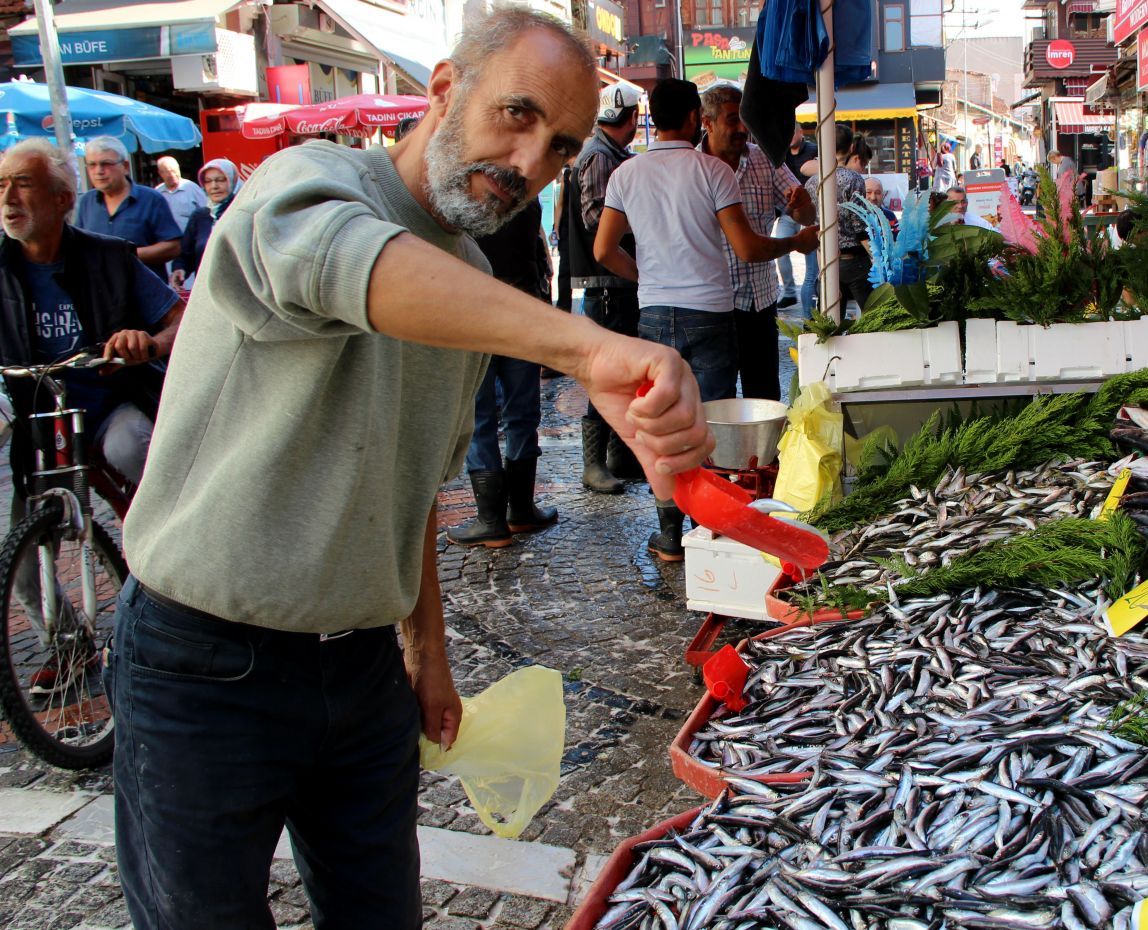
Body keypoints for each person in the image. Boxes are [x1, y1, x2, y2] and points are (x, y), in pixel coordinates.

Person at [110, 11, 713, 928]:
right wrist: (586, 349)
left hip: (360, 672)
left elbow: (413, 488)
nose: (529, 162)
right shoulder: (306, 181)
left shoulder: (467, 274)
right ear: (443, 89)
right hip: (203, 662)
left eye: (560, 147)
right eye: (516, 113)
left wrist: (427, 654)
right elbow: (343, 262)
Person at [594, 78, 815, 561]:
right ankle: (707, 530)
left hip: (654, 315)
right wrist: (795, 243)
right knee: (708, 427)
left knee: (664, 424)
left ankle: (669, 534)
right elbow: (747, 248)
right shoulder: (712, 171)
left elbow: (603, 250)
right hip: (711, 314)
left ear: (651, 118)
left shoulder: (626, 173)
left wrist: (646, 278)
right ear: (697, 118)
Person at [0, 139, 184, 694]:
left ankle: (185, 559)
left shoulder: (108, 257)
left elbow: (181, 320)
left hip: (107, 405)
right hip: (38, 419)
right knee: (22, 565)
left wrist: (148, 343)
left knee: (134, 447)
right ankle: (70, 646)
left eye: (22, 185)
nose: (8, 198)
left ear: (62, 199)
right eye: (1, 186)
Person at [446, 199, 560, 547]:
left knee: (481, 416)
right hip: (521, 311)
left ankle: (491, 519)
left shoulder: (464, 200)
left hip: (475, 312)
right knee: (521, 414)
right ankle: (520, 511)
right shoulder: (525, 199)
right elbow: (536, 257)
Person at [700, 83, 815, 402]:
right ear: (707, 122)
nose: (741, 128)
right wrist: (795, 242)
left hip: (759, 302)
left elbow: (806, 215)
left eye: (744, 120)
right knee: (715, 402)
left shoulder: (763, 159)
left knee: (764, 400)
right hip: (711, 306)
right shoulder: (692, 166)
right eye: (732, 120)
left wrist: (801, 204)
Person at [560, 81, 645, 494]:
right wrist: (643, 218)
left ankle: (618, 455)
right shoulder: (599, 156)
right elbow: (597, 220)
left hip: (612, 280)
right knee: (606, 372)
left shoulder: (608, 153)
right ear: (632, 118)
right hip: (606, 282)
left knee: (621, 372)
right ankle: (593, 464)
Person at [74, 137, 182, 276]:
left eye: (106, 163)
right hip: (100, 287)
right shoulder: (86, 202)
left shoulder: (151, 200)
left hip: (143, 287)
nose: (98, 171)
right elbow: (77, 246)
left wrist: (126, 255)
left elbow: (173, 247)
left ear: (125, 167)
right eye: (92, 165)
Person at [804, 124, 873, 312]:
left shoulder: (812, 182)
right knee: (873, 315)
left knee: (830, 320)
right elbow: (859, 225)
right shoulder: (854, 179)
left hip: (826, 259)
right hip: (854, 260)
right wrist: (876, 255)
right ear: (851, 148)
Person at [169, 158, 238, 293]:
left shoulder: (243, 213)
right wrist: (180, 269)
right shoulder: (200, 216)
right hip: (205, 294)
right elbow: (185, 255)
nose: (214, 186)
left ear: (233, 181)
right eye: (208, 181)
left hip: (239, 293)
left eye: (220, 180)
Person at [776, 124, 818, 310]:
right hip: (787, 212)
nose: (790, 136)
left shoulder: (813, 150)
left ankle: (811, 309)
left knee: (811, 263)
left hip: (809, 210)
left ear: (801, 133)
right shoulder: (781, 154)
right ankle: (789, 291)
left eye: (793, 132)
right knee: (780, 249)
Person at [153, 155, 207, 230]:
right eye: (168, 172)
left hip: (191, 235)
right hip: (167, 236)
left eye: (174, 171)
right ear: (160, 173)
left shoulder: (192, 188)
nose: (172, 175)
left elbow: (207, 211)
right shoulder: (158, 192)